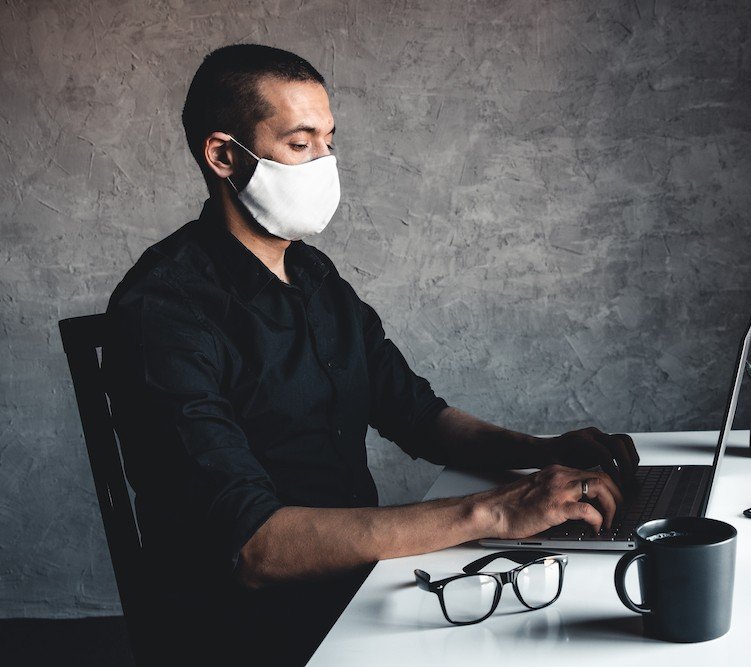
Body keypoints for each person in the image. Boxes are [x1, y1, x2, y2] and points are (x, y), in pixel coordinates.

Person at [103, 44, 638, 666]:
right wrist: (496, 509)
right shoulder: (162, 310)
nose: (324, 163)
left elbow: (417, 415)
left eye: (328, 141)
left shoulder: (313, 273)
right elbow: (257, 549)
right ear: (224, 155)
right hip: (251, 627)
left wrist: (544, 454)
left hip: (364, 583)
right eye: (300, 145)